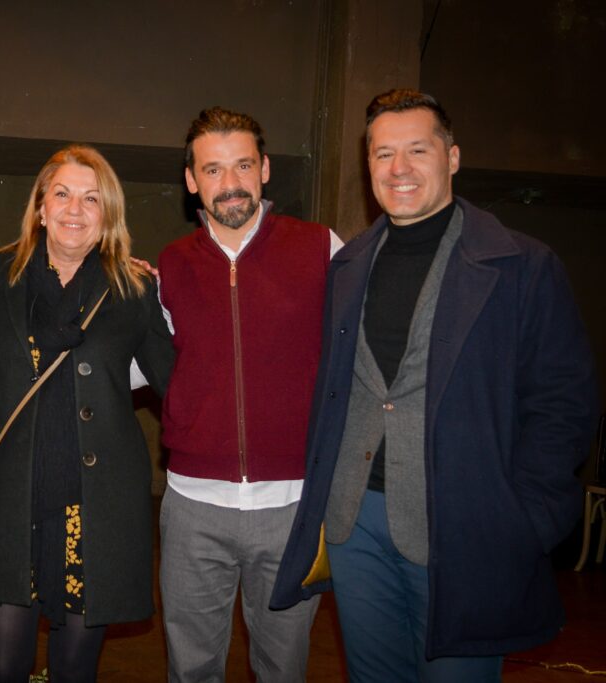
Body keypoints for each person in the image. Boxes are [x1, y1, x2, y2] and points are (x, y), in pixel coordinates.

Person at [271, 89, 599, 682]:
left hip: (468, 529)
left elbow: (564, 405)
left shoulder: (522, 267)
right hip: (353, 525)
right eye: (383, 153)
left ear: (452, 157)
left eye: (417, 150)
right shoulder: (347, 267)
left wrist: (526, 521)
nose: (398, 168)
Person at [0, 144, 174, 682]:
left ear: (107, 214)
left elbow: (178, 384)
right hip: (14, 502)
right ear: (41, 206)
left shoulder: (133, 288)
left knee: (76, 670)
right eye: (61, 194)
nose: (74, 209)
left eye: (91, 198)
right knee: (4, 666)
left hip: (97, 507)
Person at [156, 106, 342, 682]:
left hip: (293, 508)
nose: (230, 183)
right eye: (212, 169)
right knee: (190, 670)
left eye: (242, 165)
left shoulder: (322, 248)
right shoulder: (169, 266)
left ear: (264, 169)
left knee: (283, 669)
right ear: (192, 181)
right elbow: (139, 365)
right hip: (192, 508)